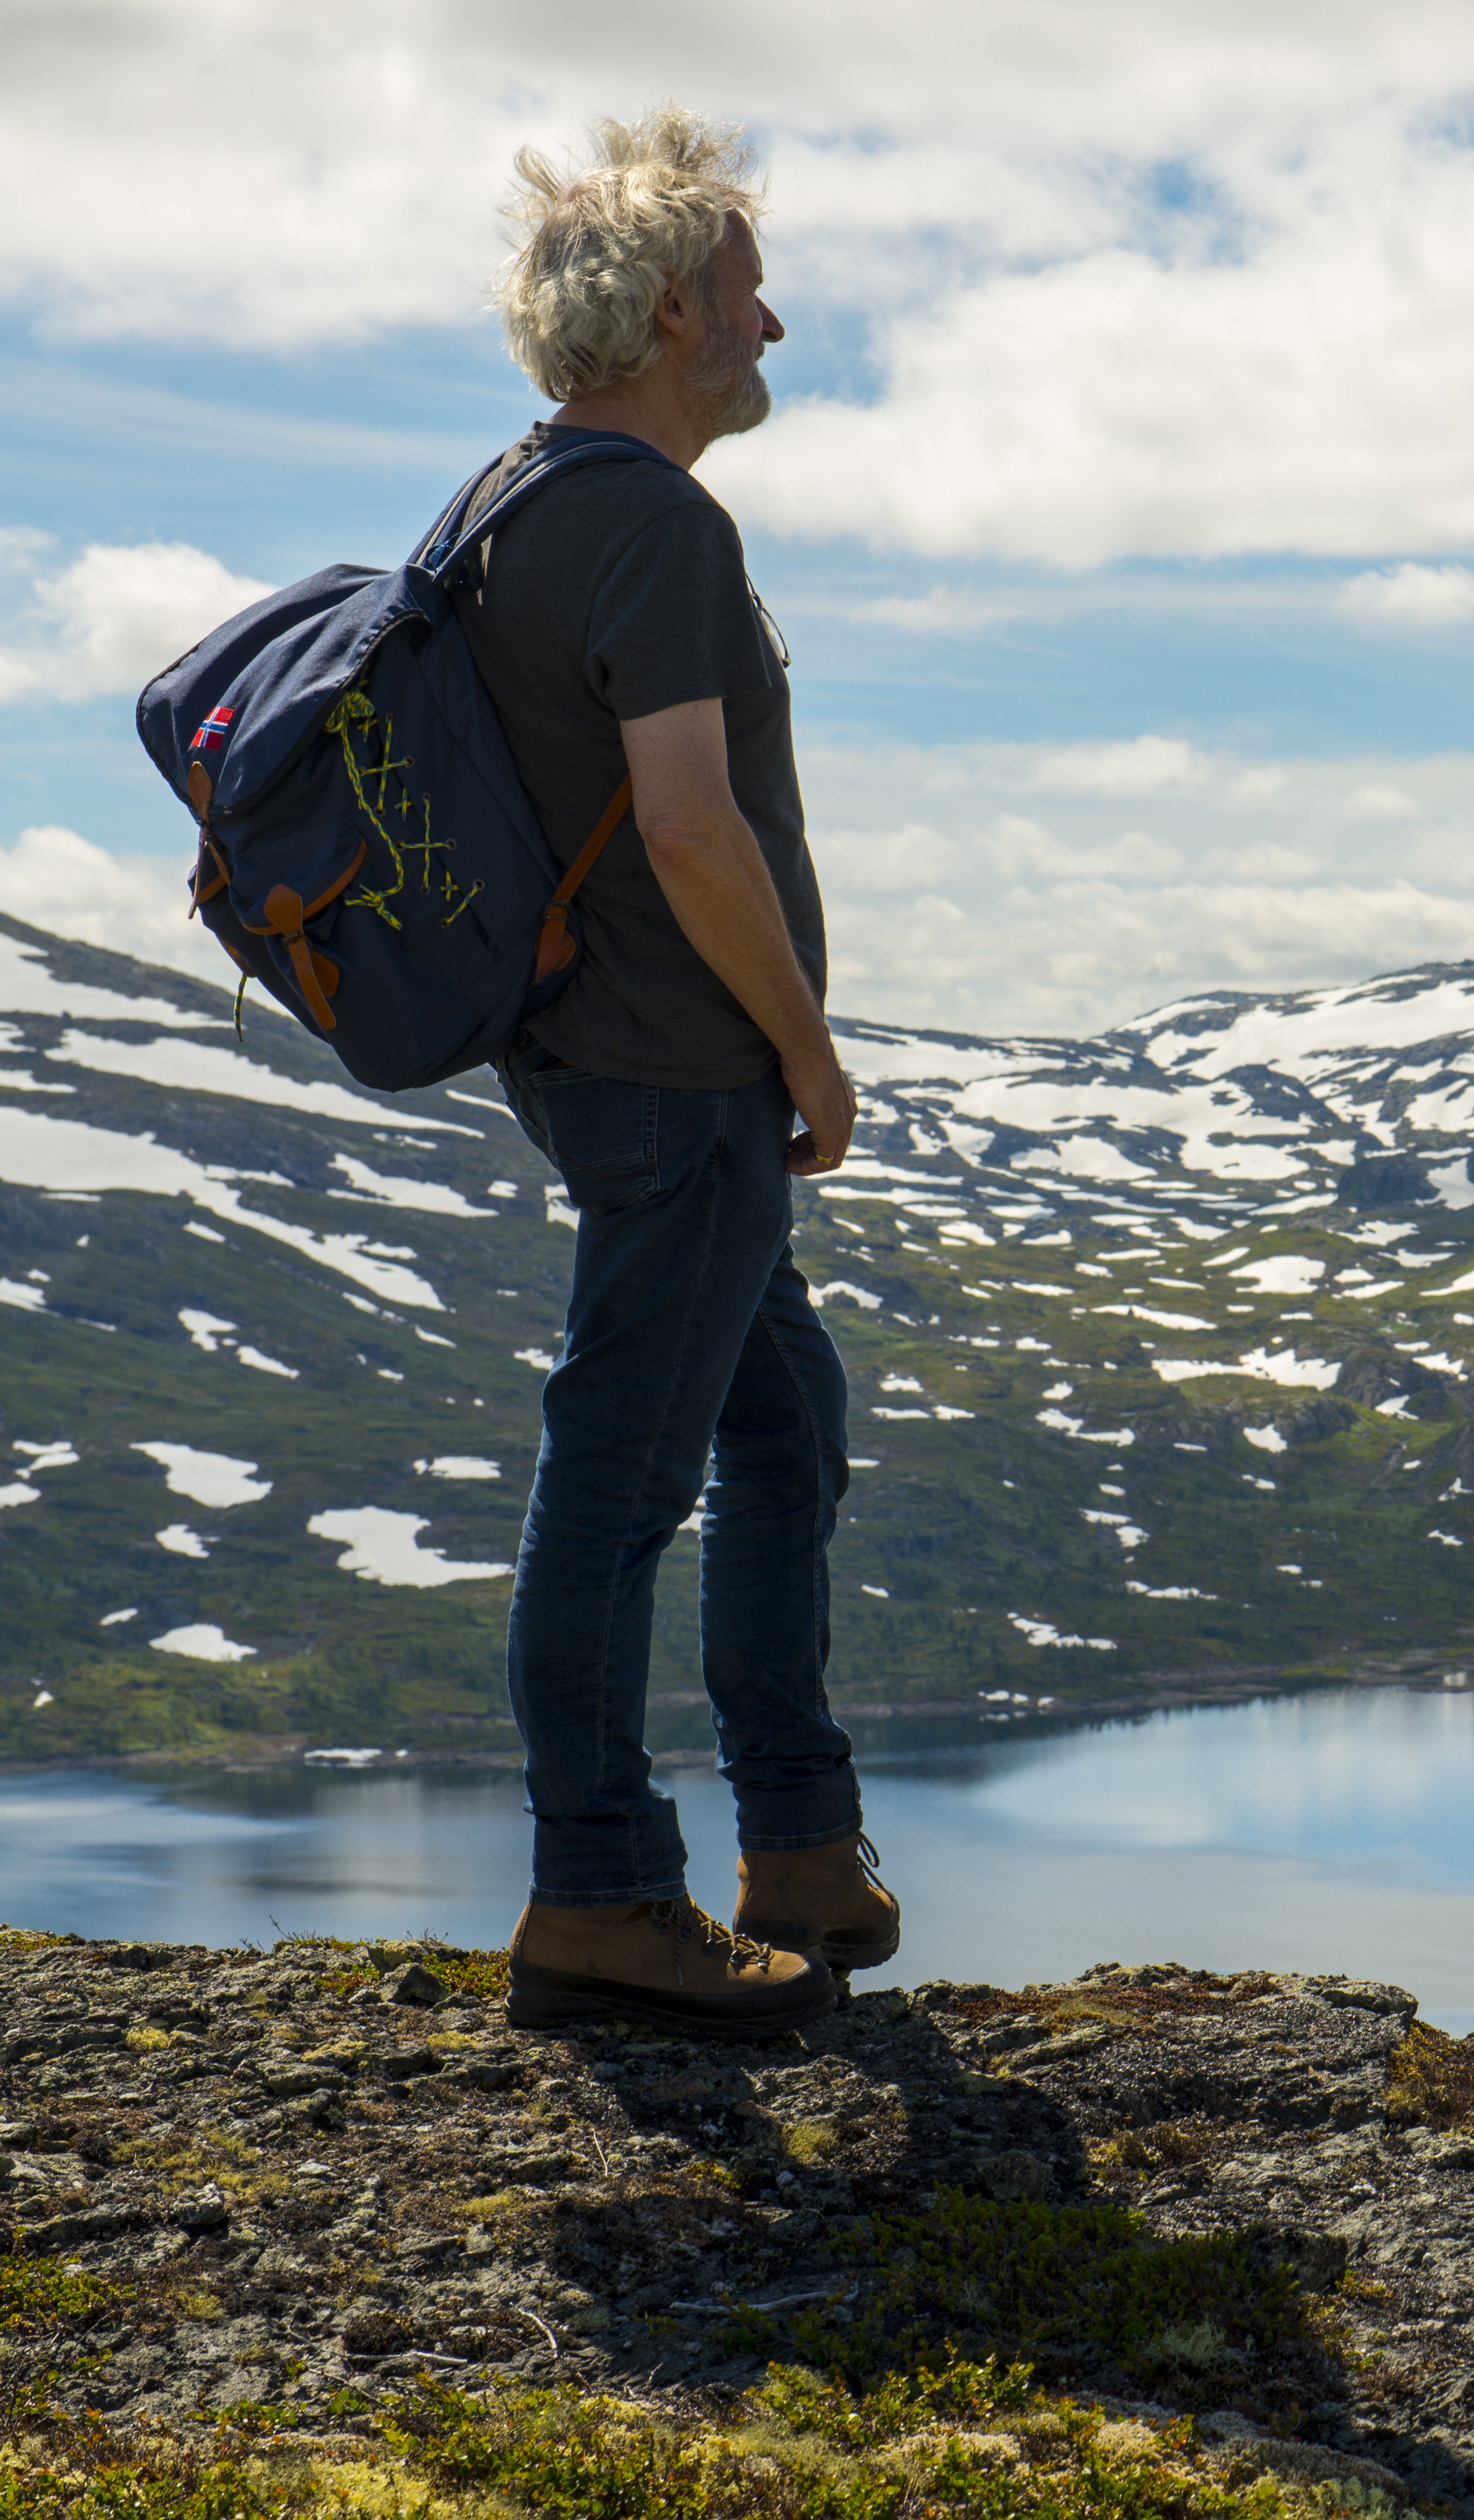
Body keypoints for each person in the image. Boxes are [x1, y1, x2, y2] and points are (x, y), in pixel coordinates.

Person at [463, 108, 894, 2035]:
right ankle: (604, 1893)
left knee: (781, 1428)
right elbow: (692, 831)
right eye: (741, 295)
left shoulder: (507, 507)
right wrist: (807, 1049)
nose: (774, 327)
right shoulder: (649, 521)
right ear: (656, 317)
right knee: (623, 1483)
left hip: (602, 1057)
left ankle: (798, 1843)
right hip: (678, 1071)